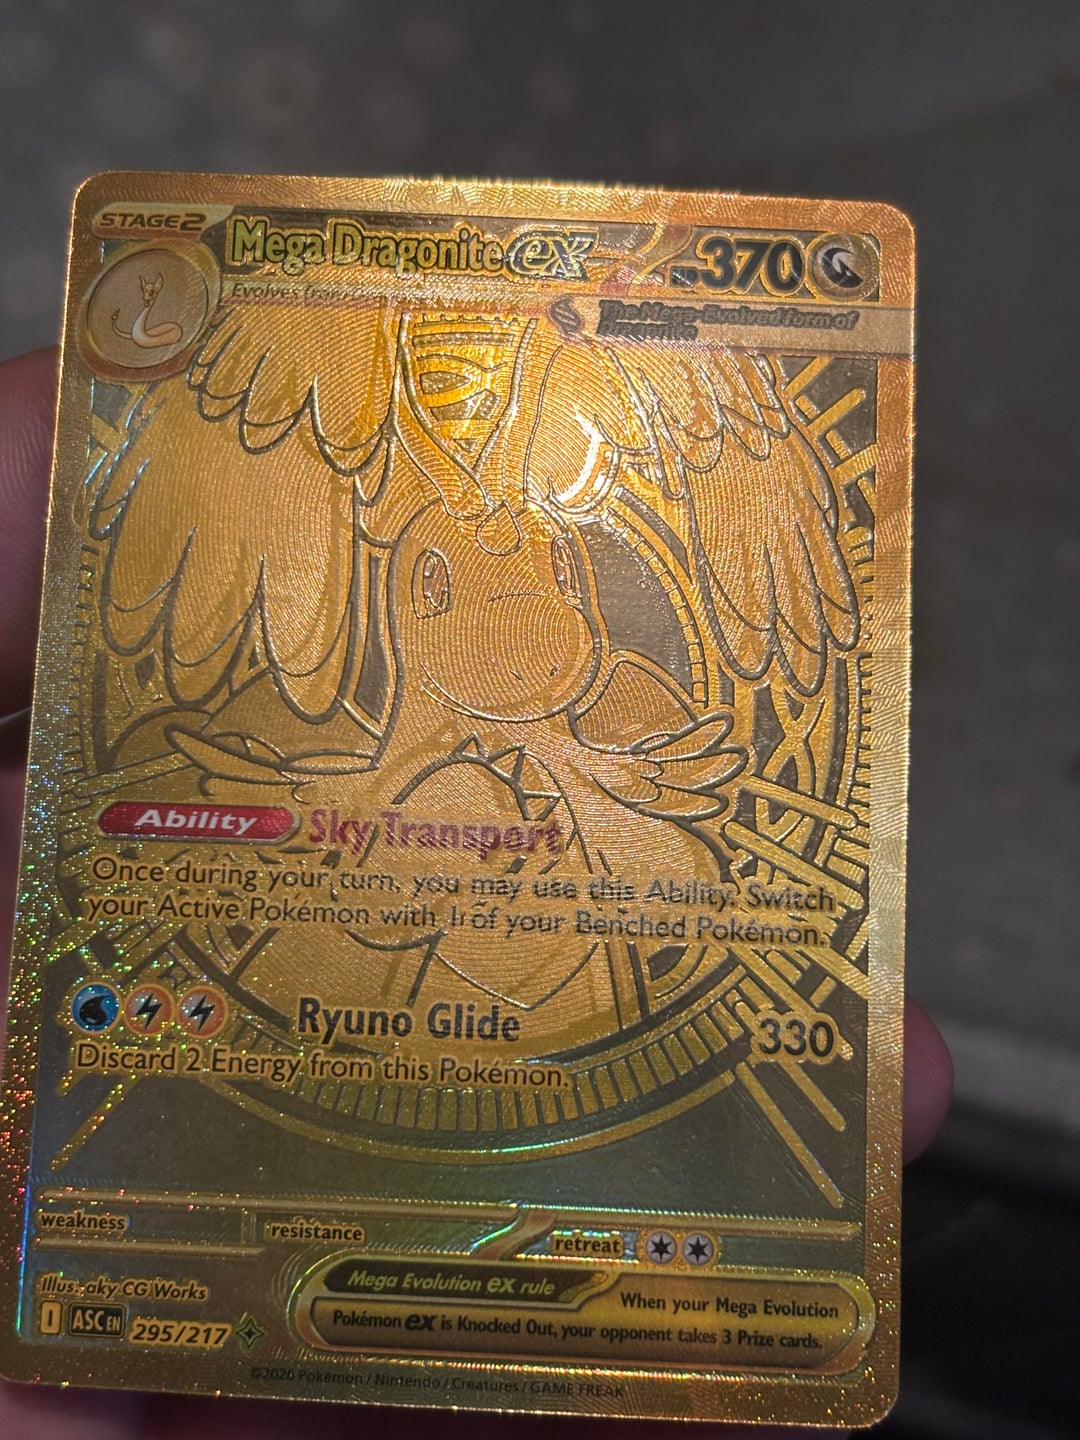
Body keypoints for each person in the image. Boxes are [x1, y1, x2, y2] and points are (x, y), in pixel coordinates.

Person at [0, 348, 954, 1440]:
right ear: (428, 594)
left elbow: (684, 893)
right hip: (293, 1176)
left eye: (561, 576)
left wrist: (604, 791)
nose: (553, 603)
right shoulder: (440, 797)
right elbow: (454, 933)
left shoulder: (601, 738)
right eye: (519, 581)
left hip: (540, 1203)